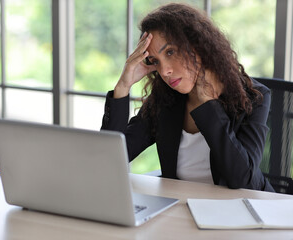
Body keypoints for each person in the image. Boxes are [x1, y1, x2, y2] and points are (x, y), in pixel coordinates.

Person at [101, 3, 274, 192]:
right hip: (182, 205)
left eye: (170, 52)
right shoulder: (165, 98)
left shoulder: (254, 97)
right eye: (155, 61)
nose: (165, 71)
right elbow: (110, 158)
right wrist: (123, 86)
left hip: (243, 209)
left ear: (198, 45)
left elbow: (241, 179)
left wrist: (207, 104)